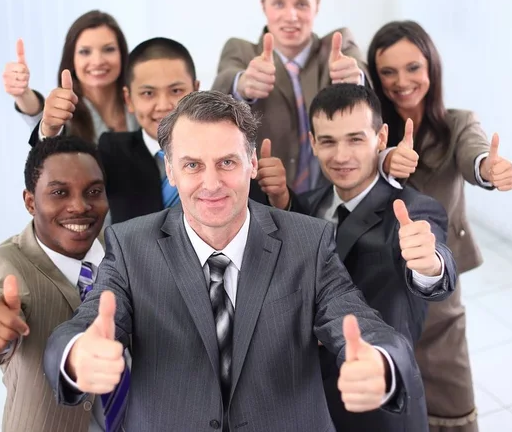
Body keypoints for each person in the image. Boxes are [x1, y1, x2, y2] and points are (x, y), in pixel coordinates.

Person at [44, 90, 423, 432]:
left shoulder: (309, 241)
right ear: (171, 171)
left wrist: (381, 363)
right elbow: (82, 325)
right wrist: (76, 356)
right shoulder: (129, 245)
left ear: (252, 164)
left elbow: (361, 322)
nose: (211, 184)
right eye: (192, 165)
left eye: (227, 162)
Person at [368, 20, 512, 432]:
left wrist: (489, 168)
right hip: (379, 287)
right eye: (388, 72)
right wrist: (382, 161)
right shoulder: (372, 130)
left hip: (439, 293)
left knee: (451, 402)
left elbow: (475, 155)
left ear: (432, 68)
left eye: (413, 67)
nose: (402, 82)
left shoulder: (457, 123)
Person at [300, 83, 458, 432]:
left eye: (356, 139)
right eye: (328, 141)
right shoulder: (307, 204)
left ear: (381, 137)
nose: (341, 156)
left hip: (380, 403)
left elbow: (435, 272)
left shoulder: (415, 208)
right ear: (312, 142)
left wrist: (430, 263)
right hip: (311, 402)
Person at [0, 136, 115, 432]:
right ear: (31, 201)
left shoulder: (127, 250)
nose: (80, 206)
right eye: (59, 193)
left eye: (93, 191)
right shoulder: (2, 264)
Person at [98, 37, 299, 224]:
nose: (163, 105)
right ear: (129, 99)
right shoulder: (111, 152)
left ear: (195, 90)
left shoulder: (233, 149)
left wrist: (280, 197)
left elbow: (295, 228)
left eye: (176, 91)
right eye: (148, 93)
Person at [212, 0, 368, 193]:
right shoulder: (241, 50)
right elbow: (223, 83)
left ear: (317, 5)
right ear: (263, 5)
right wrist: (242, 85)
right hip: (264, 199)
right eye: (279, 4)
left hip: (330, 198)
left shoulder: (338, 45)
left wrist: (356, 81)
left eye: (301, 4)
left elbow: (363, 75)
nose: (291, 16)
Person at [3, 10, 137, 143]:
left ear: (122, 54)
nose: (97, 61)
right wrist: (23, 94)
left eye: (108, 49)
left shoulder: (139, 103)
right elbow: (42, 117)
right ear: (72, 58)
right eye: (85, 52)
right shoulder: (65, 113)